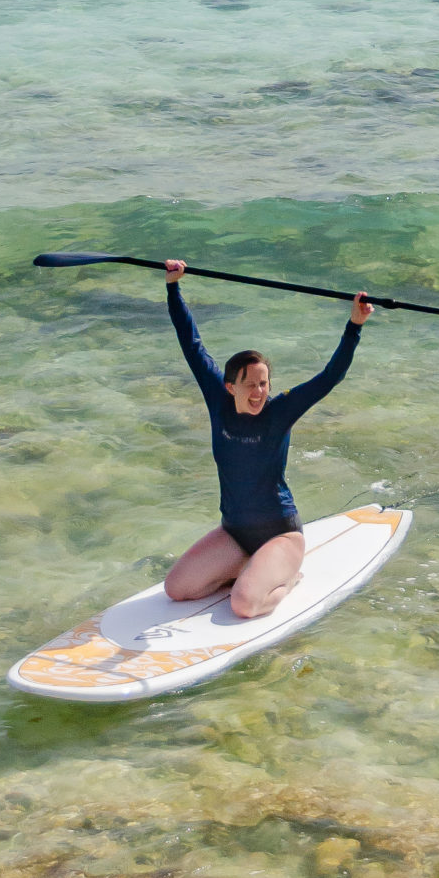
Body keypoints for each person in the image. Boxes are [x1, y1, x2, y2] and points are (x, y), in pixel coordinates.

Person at [161, 258, 373, 620]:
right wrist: (173, 287)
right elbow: (191, 344)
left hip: (281, 535)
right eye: (250, 384)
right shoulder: (218, 399)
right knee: (178, 590)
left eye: (264, 383)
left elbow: (328, 378)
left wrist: (354, 326)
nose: (259, 392)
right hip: (234, 533)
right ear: (231, 387)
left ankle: (286, 580)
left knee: (243, 605)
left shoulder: (280, 411)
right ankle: (246, 567)